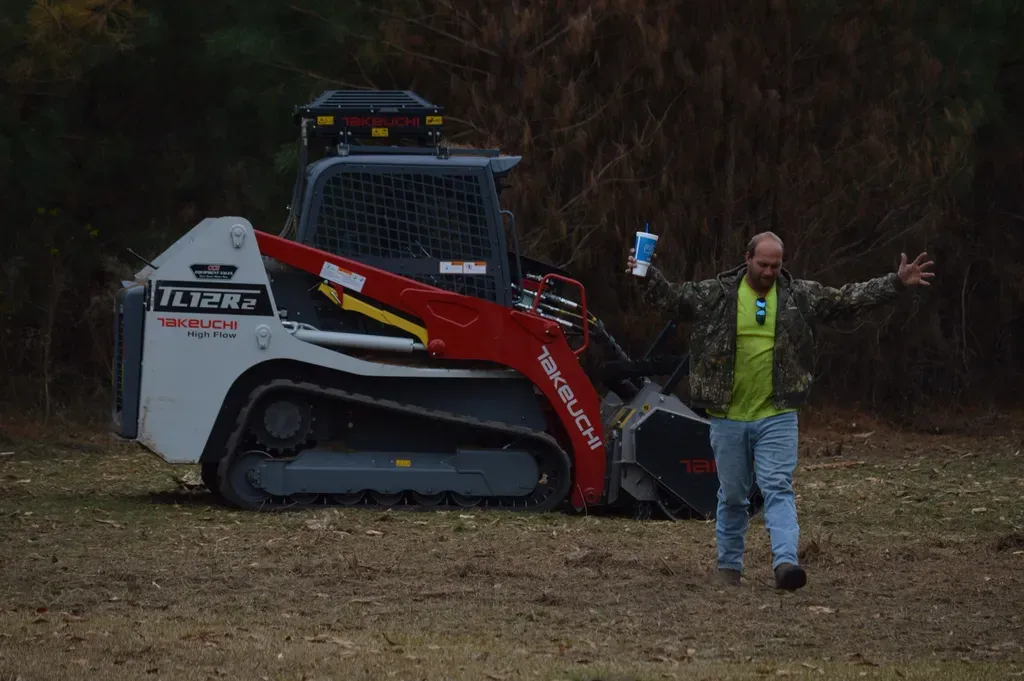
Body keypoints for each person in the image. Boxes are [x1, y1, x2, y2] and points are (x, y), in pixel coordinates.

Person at [626, 232, 934, 590]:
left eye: (776, 265)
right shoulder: (717, 294)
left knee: (777, 487)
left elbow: (847, 300)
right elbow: (673, 301)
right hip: (727, 414)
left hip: (777, 412)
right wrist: (646, 273)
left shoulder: (799, 296)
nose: (770, 272)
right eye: (763, 264)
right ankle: (729, 568)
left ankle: (786, 563)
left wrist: (895, 283)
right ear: (747, 259)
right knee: (733, 494)